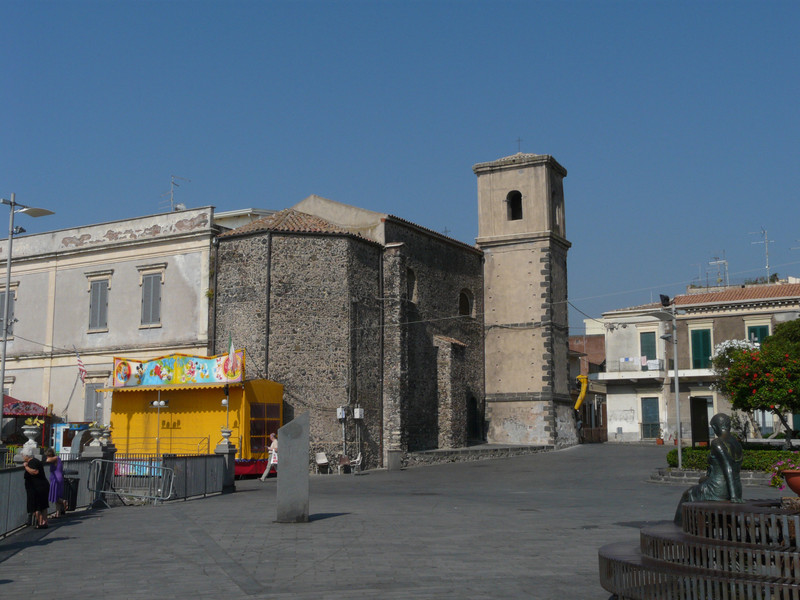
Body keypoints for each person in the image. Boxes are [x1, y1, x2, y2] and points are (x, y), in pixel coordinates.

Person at [674, 413, 744, 525]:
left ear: (715, 427)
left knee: (688, 494)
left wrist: (734, 496)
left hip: (718, 490)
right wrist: (736, 493)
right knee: (701, 482)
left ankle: (679, 528)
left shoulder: (718, 442)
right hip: (734, 487)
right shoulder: (736, 443)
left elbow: (728, 467)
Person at [22, 448, 51, 528]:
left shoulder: (32, 462)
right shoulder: (36, 461)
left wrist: (26, 467)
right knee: (43, 505)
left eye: (23, 455)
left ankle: (40, 522)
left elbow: (35, 471)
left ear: (26, 456)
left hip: (37, 488)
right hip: (42, 486)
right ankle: (44, 522)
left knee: (36, 506)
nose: (22, 457)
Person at [44, 448, 68, 517]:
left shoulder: (55, 458)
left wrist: (46, 458)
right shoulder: (58, 459)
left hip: (56, 479)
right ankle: (58, 513)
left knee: (54, 495)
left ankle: (63, 501)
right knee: (57, 495)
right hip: (59, 478)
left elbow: (47, 460)